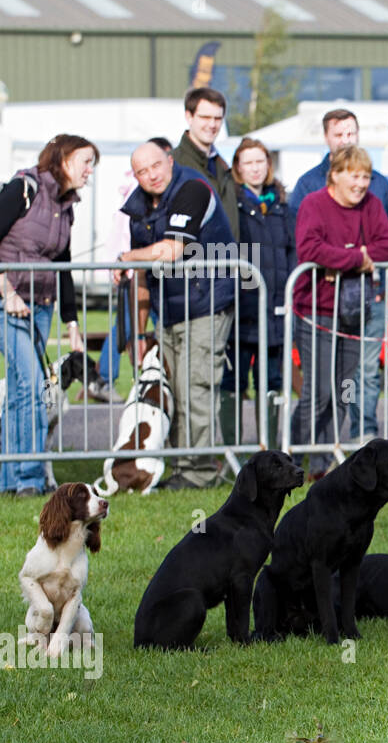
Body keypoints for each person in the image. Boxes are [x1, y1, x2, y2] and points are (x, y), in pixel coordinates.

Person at [115, 139, 237, 490]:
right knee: (174, 391)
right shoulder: (137, 208)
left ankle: (199, 473)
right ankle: (183, 466)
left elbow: (172, 250)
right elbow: (140, 275)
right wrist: (138, 335)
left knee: (195, 387)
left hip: (206, 304)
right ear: (134, 175)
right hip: (166, 312)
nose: (151, 175)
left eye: (156, 165)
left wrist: (127, 257)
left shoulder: (193, 189)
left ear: (169, 160)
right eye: (142, 171)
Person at [0, 134, 98, 496]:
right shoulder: (23, 188)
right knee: (30, 385)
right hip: (6, 303)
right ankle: (30, 479)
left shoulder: (66, 204)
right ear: (65, 159)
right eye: (86, 162)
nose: (90, 171)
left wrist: (71, 323)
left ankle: (8, 480)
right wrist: (7, 291)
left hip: (41, 306)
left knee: (19, 392)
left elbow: (63, 266)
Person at [292, 145, 388, 480]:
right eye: (354, 175)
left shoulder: (372, 205)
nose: (361, 183)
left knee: (345, 387)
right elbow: (310, 248)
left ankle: (329, 458)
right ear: (335, 175)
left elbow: (387, 245)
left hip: (355, 310)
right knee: (319, 391)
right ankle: (300, 456)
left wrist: (342, 259)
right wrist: (356, 258)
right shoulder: (314, 204)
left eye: (365, 176)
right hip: (317, 310)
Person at [220, 137, 295, 450]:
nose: (254, 168)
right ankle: (232, 450)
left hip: (275, 312)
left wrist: (291, 294)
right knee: (234, 383)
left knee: (274, 383)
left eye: (260, 162)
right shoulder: (231, 206)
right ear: (238, 167)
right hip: (241, 311)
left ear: (268, 165)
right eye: (247, 162)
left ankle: (271, 448)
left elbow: (293, 252)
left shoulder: (282, 205)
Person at [173, 86, 239, 243]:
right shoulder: (173, 165)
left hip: (227, 262)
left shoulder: (223, 167)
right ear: (189, 117)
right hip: (192, 264)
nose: (212, 125)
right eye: (205, 117)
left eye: (217, 118)